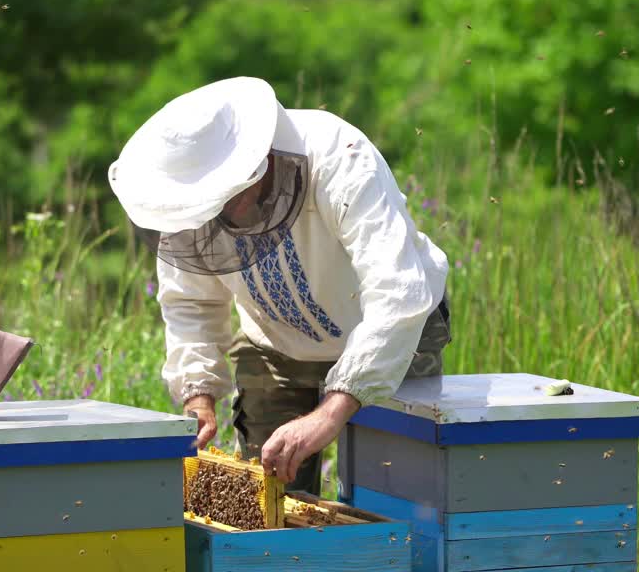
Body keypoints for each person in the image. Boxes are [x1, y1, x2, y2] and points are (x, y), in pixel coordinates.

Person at [107, 77, 450, 495]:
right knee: (266, 496)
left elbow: (397, 291)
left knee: (395, 493)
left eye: (225, 202)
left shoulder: (341, 156)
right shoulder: (191, 208)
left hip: (395, 335)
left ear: (261, 165)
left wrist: (331, 412)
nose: (214, 220)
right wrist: (198, 394)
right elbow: (190, 302)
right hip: (275, 346)